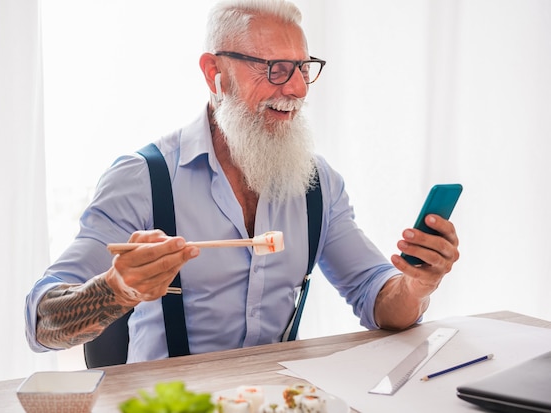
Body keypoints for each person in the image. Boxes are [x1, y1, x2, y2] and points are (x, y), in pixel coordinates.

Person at [25, 0, 459, 363]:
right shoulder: (142, 179)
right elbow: (41, 323)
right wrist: (115, 289)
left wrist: (418, 284)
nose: (297, 89)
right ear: (215, 72)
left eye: (303, 68)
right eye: (274, 68)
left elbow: (378, 300)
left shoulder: (317, 184)